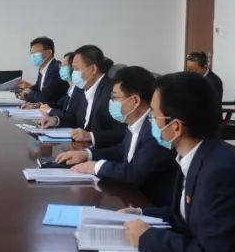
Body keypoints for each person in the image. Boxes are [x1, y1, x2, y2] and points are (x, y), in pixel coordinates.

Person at [121, 71, 235, 252]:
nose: (150, 121)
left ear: (175, 126)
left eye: (153, 115)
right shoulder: (195, 154)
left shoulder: (218, 172)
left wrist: (148, 237)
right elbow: (184, 216)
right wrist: (140, 213)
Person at [55, 66, 175, 206]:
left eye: (115, 97)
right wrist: (87, 154)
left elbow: (135, 173)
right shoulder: (136, 122)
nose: (111, 102)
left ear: (135, 101)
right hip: (130, 197)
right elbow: (122, 150)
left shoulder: (155, 131)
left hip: (150, 204)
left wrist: (97, 167)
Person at [39, 45, 124, 148]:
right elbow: (75, 118)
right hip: (81, 146)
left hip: (101, 150)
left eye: (76, 69)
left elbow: (121, 132)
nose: (73, 73)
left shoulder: (112, 91)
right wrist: (56, 120)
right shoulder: (85, 87)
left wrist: (90, 136)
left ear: (93, 69)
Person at [17, 37, 67, 105]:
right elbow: (38, 86)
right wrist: (29, 89)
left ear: (49, 52)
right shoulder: (43, 67)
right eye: (31, 53)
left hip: (56, 108)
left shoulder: (55, 69)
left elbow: (44, 98)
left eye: (36, 52)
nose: (33, 56)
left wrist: (27, 95)